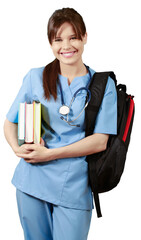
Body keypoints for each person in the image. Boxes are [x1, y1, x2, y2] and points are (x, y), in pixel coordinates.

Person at [4, 7, 117, 240]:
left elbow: (99, 142)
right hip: (32, 181)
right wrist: (17, 148)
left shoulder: (103, 85)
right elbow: (9, 122)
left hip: (73, 186)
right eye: (58, 40)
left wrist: (50, 154)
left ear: (85, 37)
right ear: (51, 44)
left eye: (73, 37)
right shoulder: (35, 77)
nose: (66, 46)